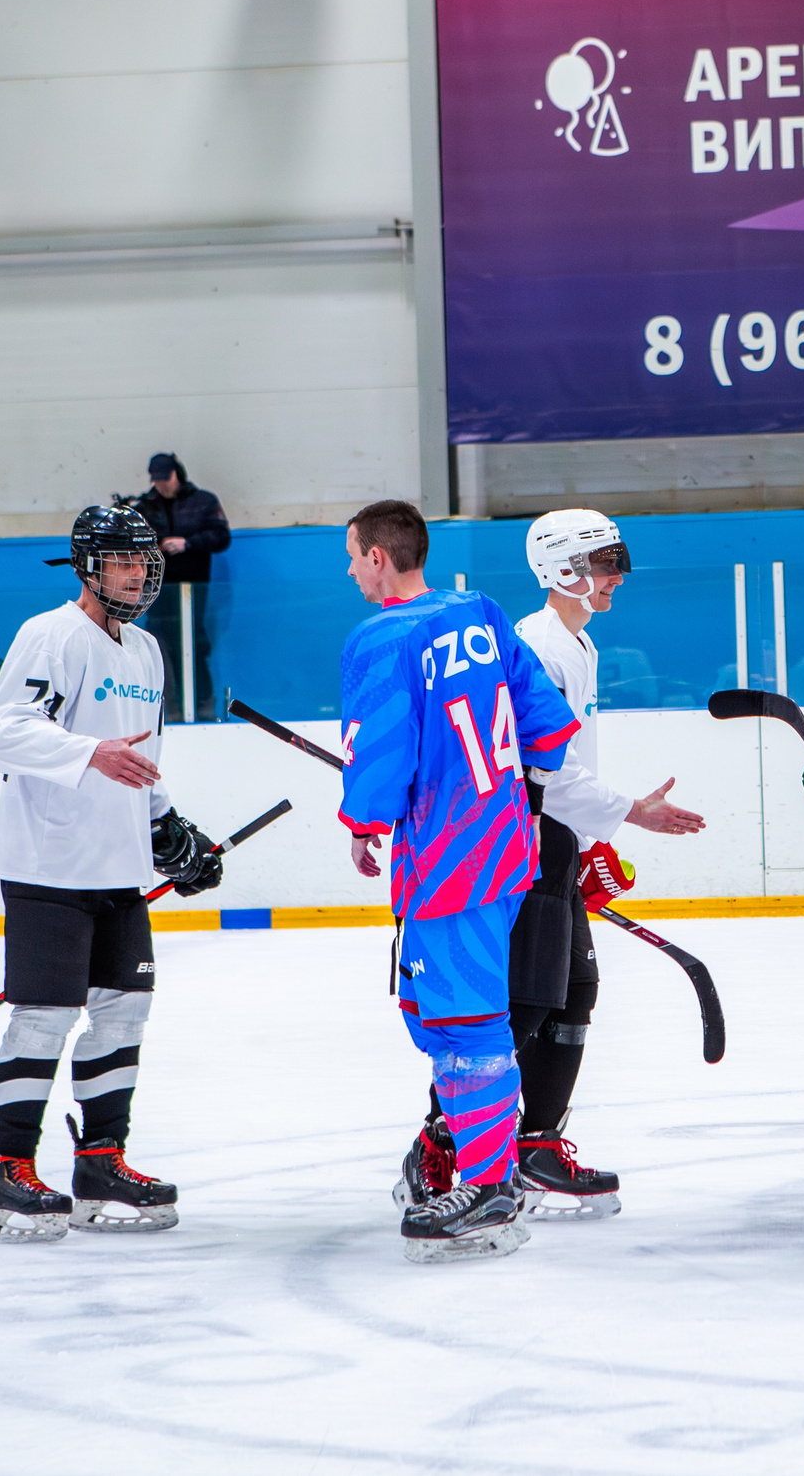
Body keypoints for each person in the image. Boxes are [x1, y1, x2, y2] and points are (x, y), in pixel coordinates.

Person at [0, 504, 224, 1243]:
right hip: (48, 864)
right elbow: (4, 732)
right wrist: (89, 753)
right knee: (44, 1016)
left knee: (123, 1011)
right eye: (122, 560)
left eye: (144, 560)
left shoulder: (146, 649)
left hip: (118, 869)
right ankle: (10, 1168)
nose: (137, 573)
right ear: (88, 566)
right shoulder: (50, 635)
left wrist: (170, 832)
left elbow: (144, 761)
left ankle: (100, 1161)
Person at [337, 500, 579, 1262]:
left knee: (468, 1025)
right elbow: (546, 724)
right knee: (450, 1019)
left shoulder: (380, 636)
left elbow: (380, 750)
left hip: (449, 864)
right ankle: (481, 1172)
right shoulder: (481, 610)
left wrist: (364, 821)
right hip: (506, 850)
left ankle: (489, 1187)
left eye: (353, 555)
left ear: (379, 557)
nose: (351, 570)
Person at [502, 509, 704, 1215]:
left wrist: (592, 845)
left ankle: (537, 1145)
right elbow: (543, 771)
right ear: (562, 568)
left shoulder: (578, 644)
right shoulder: (540, 646)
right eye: (604, 563)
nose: (617, 575)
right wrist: (629, 812)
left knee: (574, 990)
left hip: (559, 842)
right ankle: (448, 1143)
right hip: (528, 842)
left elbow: (569, 765)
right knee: (528, 999)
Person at [131, 454, 231, 721]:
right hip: (157, 589)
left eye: (166, 478)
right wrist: (159, 546)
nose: (162, 485)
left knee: (195, 642)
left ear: (177, 474)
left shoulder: (204, 501)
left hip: (193, 587)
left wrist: (188, 543)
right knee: (159, 644)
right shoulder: (145, 507)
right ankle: (169, 707)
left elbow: (221, 536)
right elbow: (134, 543)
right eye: (157, 480)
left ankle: (203, 704)